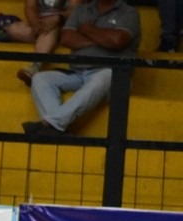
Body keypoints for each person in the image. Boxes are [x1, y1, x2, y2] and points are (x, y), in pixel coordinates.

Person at [21, 0, 140, 136]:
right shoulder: (81, 10)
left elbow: (117, 40)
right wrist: (102, 40)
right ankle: (59, 130)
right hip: (78, 72)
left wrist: (87, 30)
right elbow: (67, 38)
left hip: (112, 74)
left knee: (105, 75)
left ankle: (51, 124)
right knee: (40, 78)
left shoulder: (129, 12)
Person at [4, 0, 83, 86]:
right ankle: (47, 40)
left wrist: (57, 18)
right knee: (13, 29)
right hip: (41, 23)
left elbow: (75, 10)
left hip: (64, 26)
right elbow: (30, 7)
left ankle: (35, 66)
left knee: (50, 31)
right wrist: (35, 24)